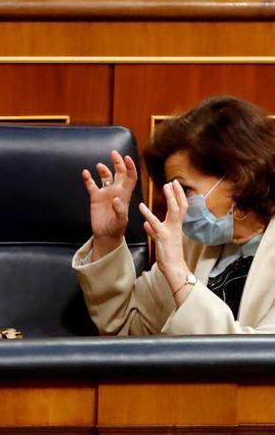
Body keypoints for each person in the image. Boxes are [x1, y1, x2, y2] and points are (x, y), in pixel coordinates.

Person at [73, 95, 275, 334]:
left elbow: (255, 361)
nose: (177, 206)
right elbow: (127, 327)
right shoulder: (193, 243)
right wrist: (108, 240)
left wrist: (181, 278)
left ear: (238, 178)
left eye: (185, 190)